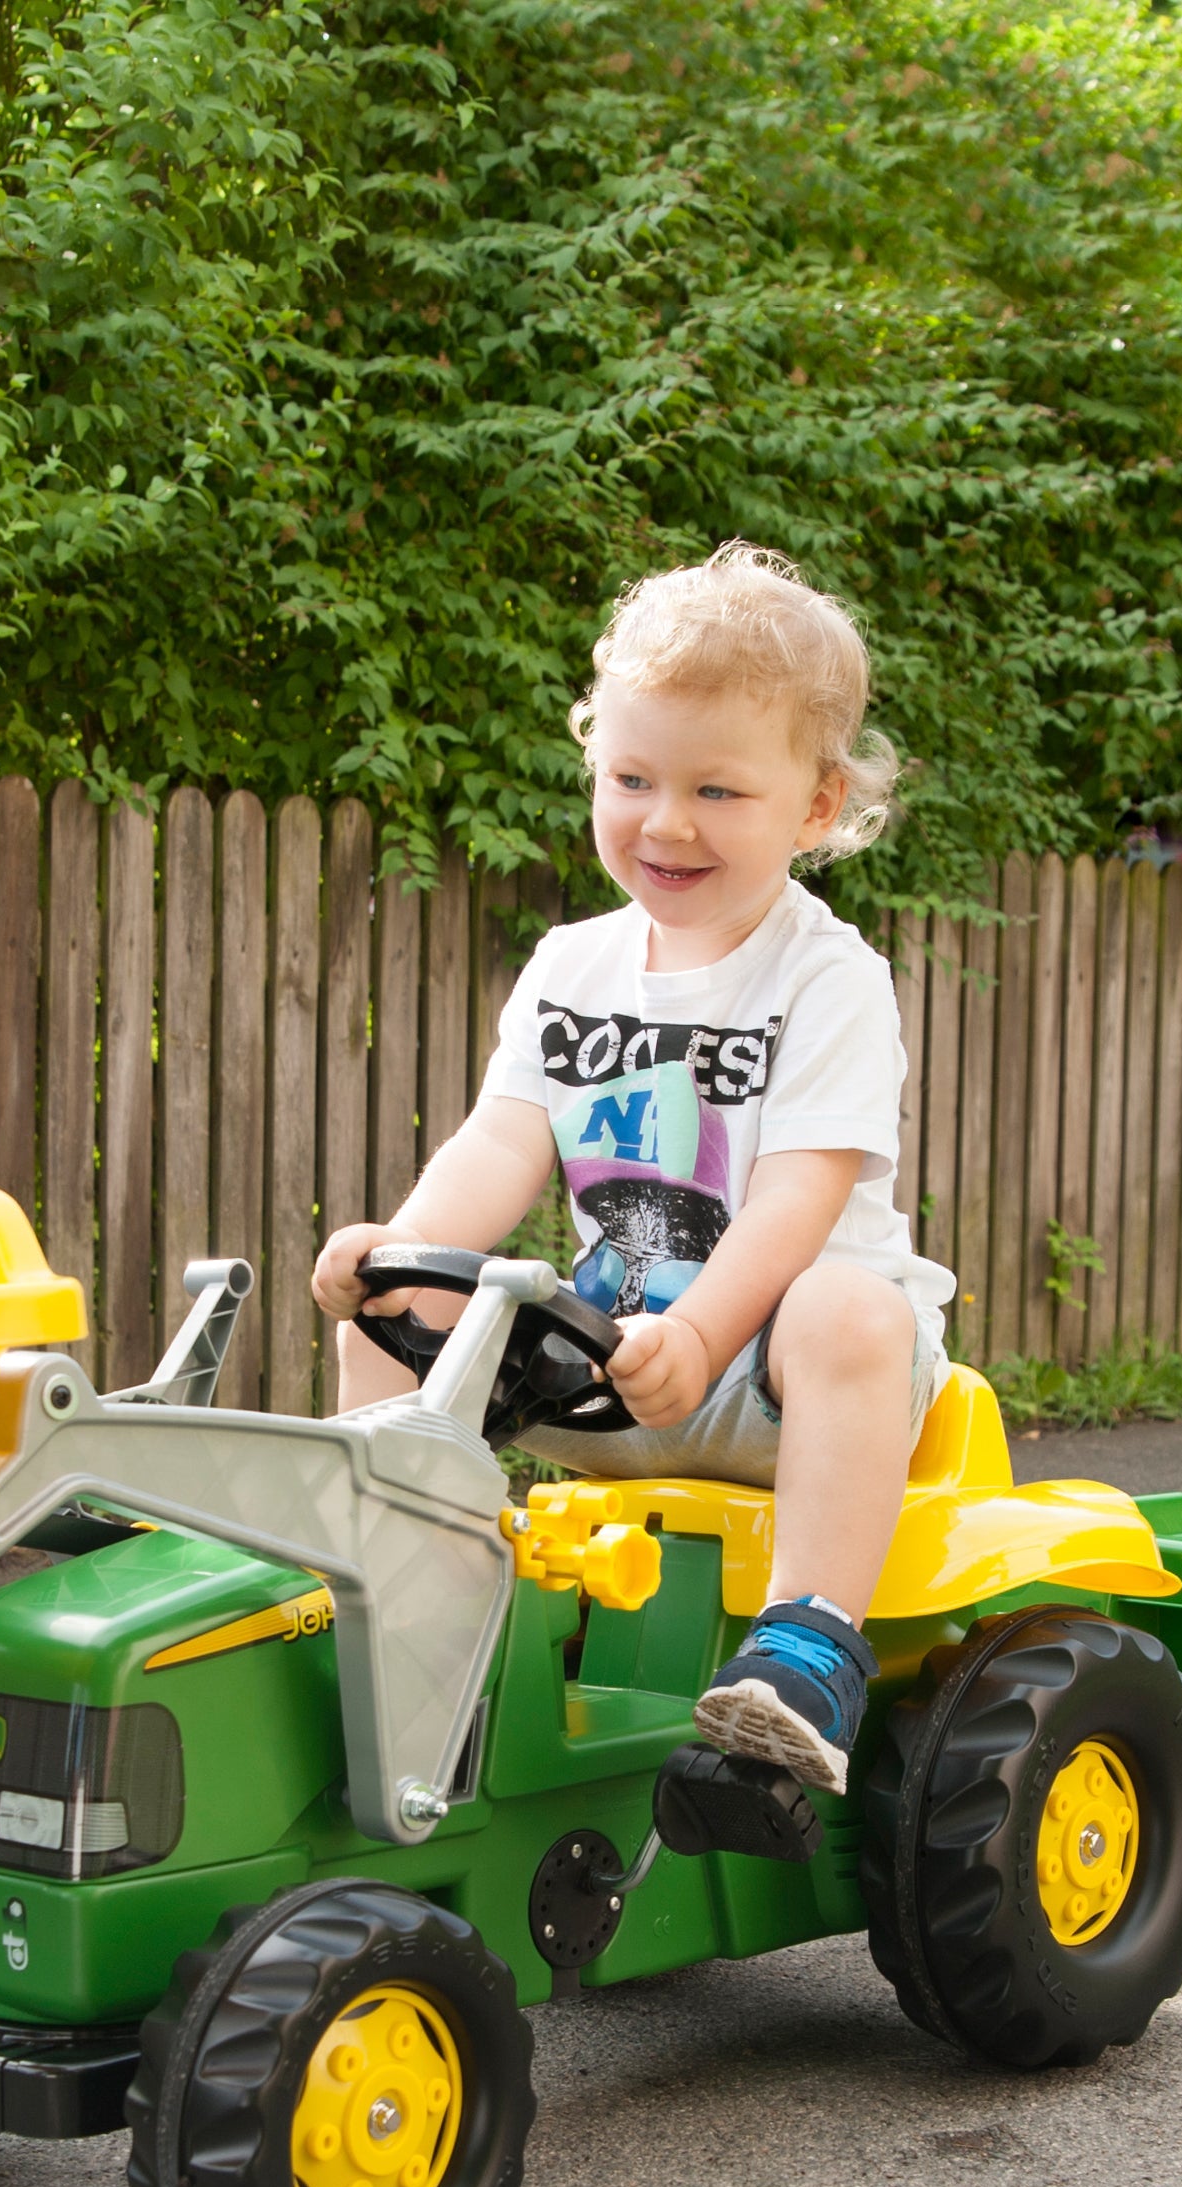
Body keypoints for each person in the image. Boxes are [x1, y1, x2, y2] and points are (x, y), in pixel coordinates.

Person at [311, 543, 955, 1797]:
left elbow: (797, 1198)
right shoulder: (570, 965)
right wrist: (396, 1248)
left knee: (844, 1304)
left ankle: (809, 1643)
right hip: (623, 1367)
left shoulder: (827, 979)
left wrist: (711, 1333)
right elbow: (504, 1141)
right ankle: (374, 1581)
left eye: (719, 790)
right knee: (394, 1305)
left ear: (817, 808)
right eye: (633, 778)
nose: (666, 822)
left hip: (778, 1383)